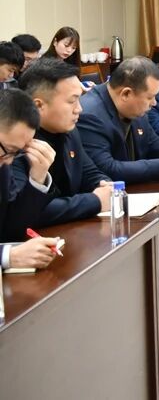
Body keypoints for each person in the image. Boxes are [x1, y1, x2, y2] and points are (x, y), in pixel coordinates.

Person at [13, 58, 112, 225]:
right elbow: (29, 211)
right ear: (38, 105)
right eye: (72, 101)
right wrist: (94, 201)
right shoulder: (16, 143)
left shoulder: (69, 131)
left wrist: (105, 186)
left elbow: (89, 172)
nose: (79, 109)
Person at [78, 57, 159, 184]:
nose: (154, 103)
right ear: (126, 94)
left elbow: (152, 143)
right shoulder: (90, 115)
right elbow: (107, 169)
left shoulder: (134, 107)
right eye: (150, 97)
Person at [0, 89, 60, 269]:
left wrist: (37, 178)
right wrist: (8, 256)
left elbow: (10, 229)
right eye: (9, 150)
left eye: (16, 153)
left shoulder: (4, 165)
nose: (9, 161)